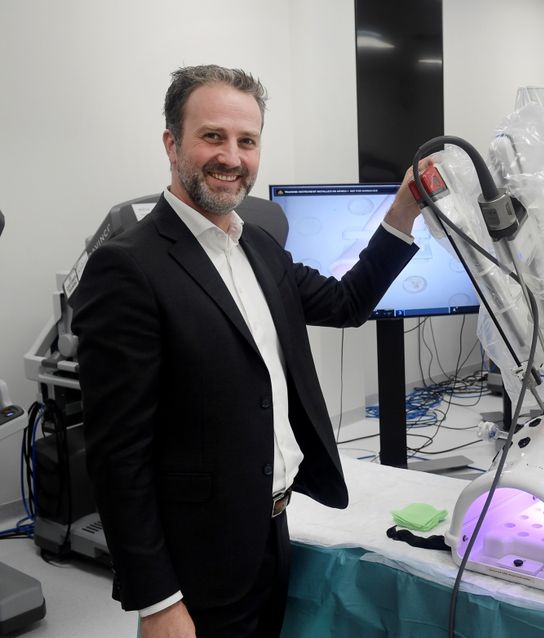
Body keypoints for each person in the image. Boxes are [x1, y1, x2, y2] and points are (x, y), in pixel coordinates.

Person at [72, 65, 425, 637]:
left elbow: (345, 303)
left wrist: (404, 209)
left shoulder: (259, 247)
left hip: (272, 529)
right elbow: (118, 456)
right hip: (197, 556)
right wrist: (157, 599)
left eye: (247, 140)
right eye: (213, 136)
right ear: (172, 143)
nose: (231, 157)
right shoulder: (130, 266)